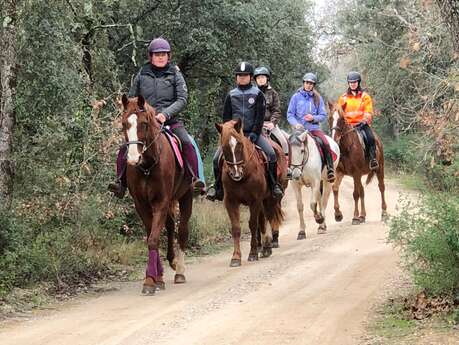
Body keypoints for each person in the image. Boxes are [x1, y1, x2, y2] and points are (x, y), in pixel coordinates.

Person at [108, 37, 204, 198]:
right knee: (125, 147)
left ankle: (195, 180)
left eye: (164, 54)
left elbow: (182, 99)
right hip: (144, 123)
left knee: (187, 143)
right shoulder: (142, 74)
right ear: (150, 56)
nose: (160, 57)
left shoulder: (175, 73)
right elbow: (132, 98)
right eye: (157, 54)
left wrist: (165, 114)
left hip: (170, 121)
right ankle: (120, 182)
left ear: (168, 56)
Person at [206, 61, 284, 201]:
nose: (242, 78)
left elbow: (260, 116)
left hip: (253, 134)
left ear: (250, 77)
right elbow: (226, 117)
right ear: (236, 77)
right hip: (234, 136)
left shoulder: (257, 94)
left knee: (271, 154)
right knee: (216, 158)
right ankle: (217, 188)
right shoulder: (231, 95)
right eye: (239, 75)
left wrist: (254, 132)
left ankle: (273, 186)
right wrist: (227, 134)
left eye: (245, 75)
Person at [286, 72, 335, 182]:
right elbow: (290, 114)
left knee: (326, 143)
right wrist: (295, 124)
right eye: (307, 83)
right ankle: (288, 169)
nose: (308, 85)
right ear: (303, 83)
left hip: (313, 129)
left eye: (311, 83)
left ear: (313, 85)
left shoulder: (318, 98)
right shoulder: (296, 97)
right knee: (289, 144)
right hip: (298, 130)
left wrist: (313, 118)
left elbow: (323, 115)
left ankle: (330, 169)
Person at [337, 71, 378, 170]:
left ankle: (372, 159)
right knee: (335, 140)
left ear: (358, 82)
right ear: (348, 83)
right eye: (351, 82)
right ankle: (336, 162)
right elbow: (339, 113)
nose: (352, 84)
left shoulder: (365, 96)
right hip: (347, 126)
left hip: (361, 125)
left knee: (371, 138)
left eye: (354, 82)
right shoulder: (343, 98)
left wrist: (364, 120)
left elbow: (368, 111)